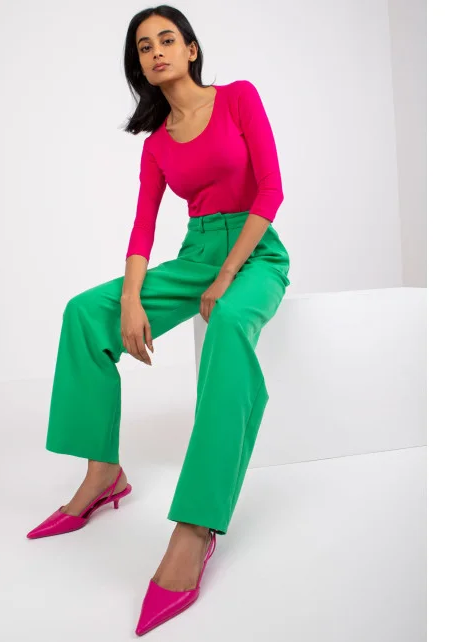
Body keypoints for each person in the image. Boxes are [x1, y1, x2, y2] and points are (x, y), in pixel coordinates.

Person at [26, 5, 291, 636]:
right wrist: (131, 298)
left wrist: (226, 277)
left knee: (228, 326)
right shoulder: (158, 144)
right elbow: (143, 226)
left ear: (192, 49)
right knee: (85, 312)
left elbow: (271, 191)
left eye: (167, 39)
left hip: (254, 253)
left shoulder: (238, 98)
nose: (156, 52)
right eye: (144, 47)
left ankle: (197, 525)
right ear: (139, 65)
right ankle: (102, 474)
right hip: (195, 255)